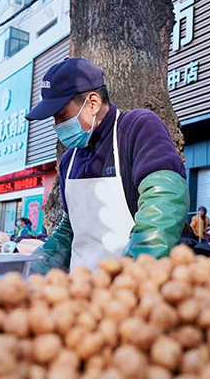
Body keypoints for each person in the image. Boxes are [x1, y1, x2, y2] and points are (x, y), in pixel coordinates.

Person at [26, 58, 189, 273]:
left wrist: (131, 273)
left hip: (134, 287)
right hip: (82, 290)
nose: (58, 126)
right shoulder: (69, 161)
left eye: (62, 116)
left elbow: (164, 204)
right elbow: (70, 230)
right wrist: (32, 268)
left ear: (92, 102)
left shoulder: (138, 128)